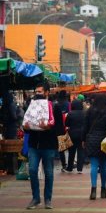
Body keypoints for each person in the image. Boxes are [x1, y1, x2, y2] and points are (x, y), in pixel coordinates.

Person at [23, 82, 62, 210]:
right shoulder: (31, 106)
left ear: (47, 92)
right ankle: (35, 198)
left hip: (49, 145)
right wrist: (27, 128)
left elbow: (59, 129)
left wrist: (48, 128)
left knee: (49, 173)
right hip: (34, 145)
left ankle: (48, 199)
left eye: (40, 91)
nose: (38, 94)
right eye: (36, 92)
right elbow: (27, 124)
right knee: (33, 170)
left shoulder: (54, 107)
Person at [82, 94, 106, 200]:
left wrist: (84, 139)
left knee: (93, 166)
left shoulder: (89, 111)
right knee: (104, 166)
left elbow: (85, 127)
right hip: (104, 141)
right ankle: (103, 190)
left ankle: (93, 190)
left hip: (92, 140)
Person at [65, 99, 86, 173]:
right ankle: (79, 168)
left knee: (71, 151)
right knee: (81, 151)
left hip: (72, 134)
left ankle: (70, 167)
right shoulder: (84, 113)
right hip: (82, 134)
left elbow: (67, 124)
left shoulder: (70, 114)